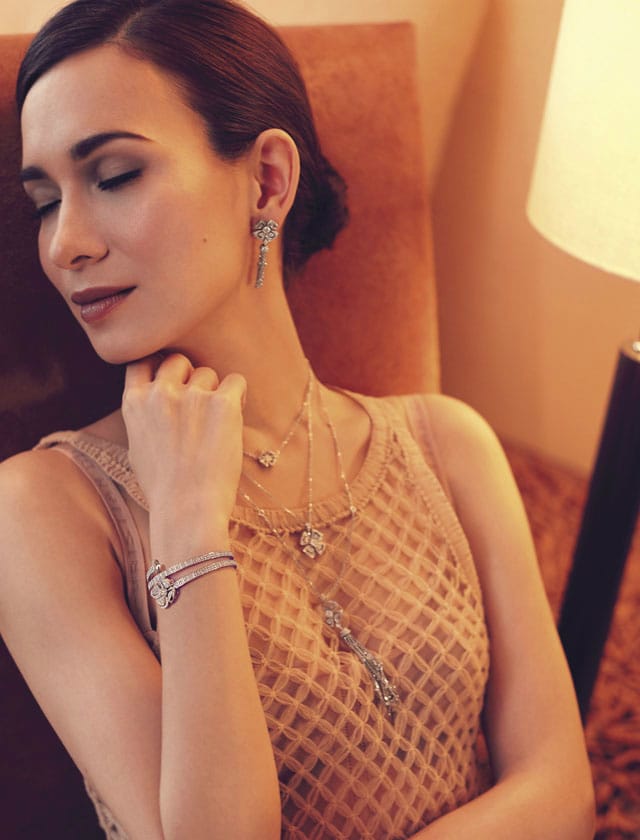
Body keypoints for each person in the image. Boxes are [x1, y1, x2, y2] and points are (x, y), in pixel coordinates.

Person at [0, 0, 595, 838]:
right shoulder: (38, 511)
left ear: (268, 180)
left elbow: (564, 795)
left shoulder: (448, 446)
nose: (65, 244)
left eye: (115, 175)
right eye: (44, 202)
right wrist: (186, 524)